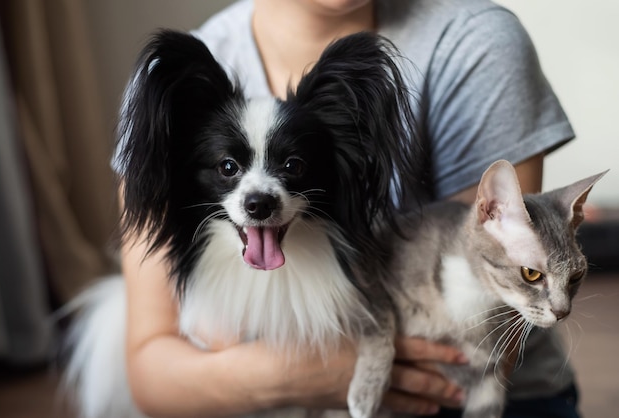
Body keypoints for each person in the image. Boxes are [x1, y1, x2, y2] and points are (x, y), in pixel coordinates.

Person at [117, 0, 578, 416]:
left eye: (293, 165)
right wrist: (293, 374)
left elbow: (471, 339)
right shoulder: (182, 75)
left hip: (482, 395)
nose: (257, 194)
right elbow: (154, 374)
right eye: (228, 167)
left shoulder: (472, 42)